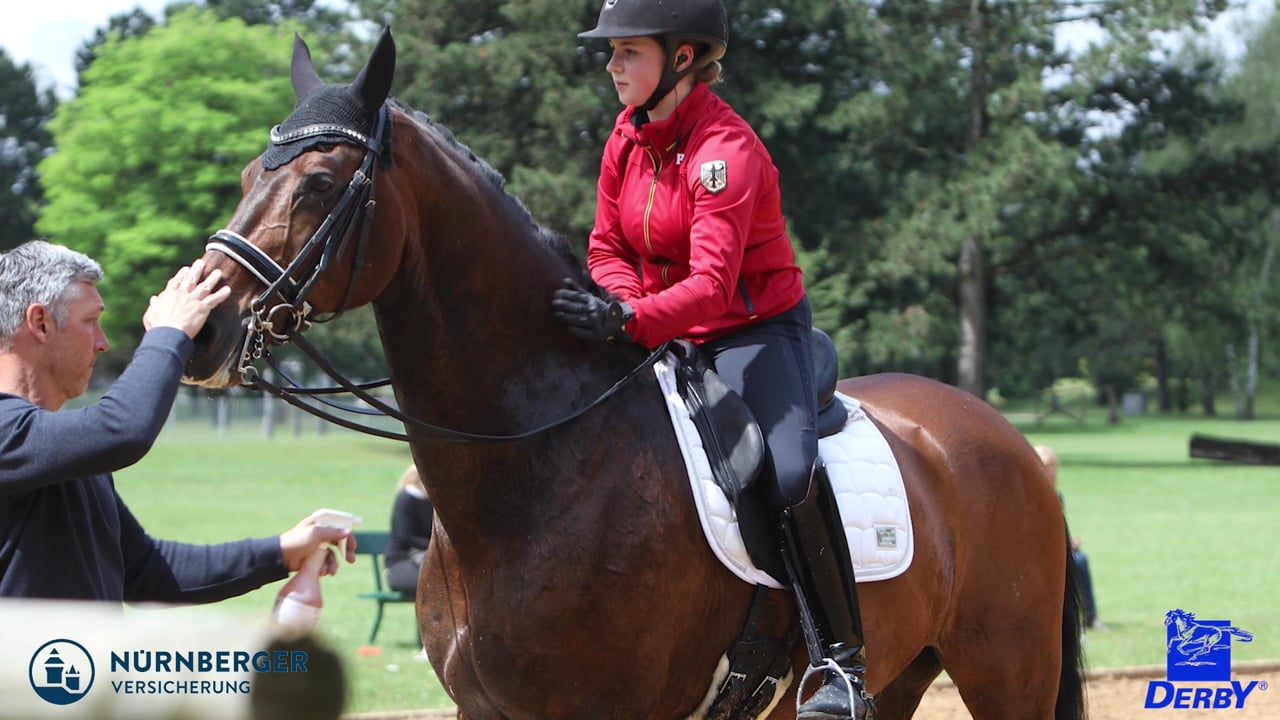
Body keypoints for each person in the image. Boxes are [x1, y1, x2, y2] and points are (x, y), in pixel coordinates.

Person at [552, 2, 872, 717]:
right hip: (659, 324)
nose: (612, 66)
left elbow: (712, 286)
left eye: (627, 52)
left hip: (753, 330)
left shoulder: (726, 152)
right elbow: (607, 247)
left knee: (788, 472)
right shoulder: (626, 138)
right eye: (611, 53)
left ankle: (842, 667)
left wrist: (630, 318)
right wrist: (620, 305)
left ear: (684, 57)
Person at [0, 240, 355, 602]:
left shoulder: (64, 447)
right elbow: (122, 430)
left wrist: (281, 552)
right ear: (40, 323)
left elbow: (145, 570)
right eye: (90, 321)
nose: (102, 342)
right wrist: (168, 333)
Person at [1035, 444, 1102, 630]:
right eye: (1046, 466)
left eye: (1053, 466)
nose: (1051, 472)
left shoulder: (1057, 496)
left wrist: (1070, 543)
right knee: (1077, 562)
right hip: (1037, 555)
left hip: (1057, 551)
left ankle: (1090, 617)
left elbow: (1057, 531)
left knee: (1080, 559)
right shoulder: (1032, 497)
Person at [385, 464, 433, 594]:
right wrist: (436, 547)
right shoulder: (407, 499)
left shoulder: (432, 502)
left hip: (425, 561)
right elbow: (405, 537)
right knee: (439, 581)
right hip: (401, 564)